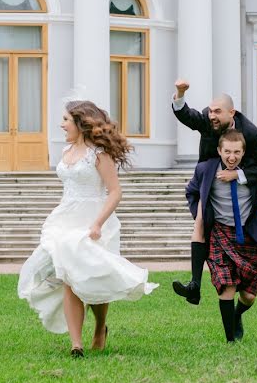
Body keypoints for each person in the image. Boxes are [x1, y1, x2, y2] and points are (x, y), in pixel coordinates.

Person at [17, 101, 158, 358]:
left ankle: (100, 328)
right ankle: (76, 344)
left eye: (65, 120)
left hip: (95, 219)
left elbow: (115, 192)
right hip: (66, 218)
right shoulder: (66, 151)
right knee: (69, 276)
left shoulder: (98, 154)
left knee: (93, 277)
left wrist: (97, 223)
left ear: (80, 123)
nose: (61, 125)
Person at [171, 79, 257, 306]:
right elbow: (187, 116)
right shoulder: (208, 120)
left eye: (217, 112)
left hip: (249, 184)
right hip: (211, 181)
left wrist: (237, 174)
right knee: (201, 219)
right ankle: (194, 286)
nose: (212, 116)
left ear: (232, 113)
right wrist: (180, 94)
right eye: (210, 111)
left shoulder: (250, 132)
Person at [186, 130, 257, 342]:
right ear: (219, 150)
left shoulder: (253, 172)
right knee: (227, 286)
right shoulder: (207, 170)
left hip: (248, 236)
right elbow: (191, 191)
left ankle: (237, 315)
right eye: (227, 151)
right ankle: (230, 340)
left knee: (249, 296)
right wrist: (201, 214)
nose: (231, 157)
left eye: (236, 152)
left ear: (243, 152)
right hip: (220, 234)